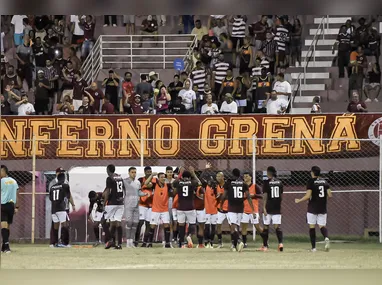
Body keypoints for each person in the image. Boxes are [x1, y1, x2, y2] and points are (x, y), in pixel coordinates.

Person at [295, 166, 332, 252]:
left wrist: (299, 200)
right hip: (322, 207)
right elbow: (330, 195)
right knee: (322, 225)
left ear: (312, 173)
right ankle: (326, 238)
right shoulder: (325, 181)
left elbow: (308, 196)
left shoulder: (311, 182)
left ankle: (314, 248)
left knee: (312, 227)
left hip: (313, 207)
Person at [220, 168, 254, 252]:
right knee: (237, 227)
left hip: (231, 208)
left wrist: (221, 204)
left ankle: (238, 241)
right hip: (240, 208)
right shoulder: (243, 184)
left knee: (232, 227)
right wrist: (252, 209)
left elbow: (224, 196)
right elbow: (248, 197)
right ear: (239, 175)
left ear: (232, 174)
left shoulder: (229, 183)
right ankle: (234, 246)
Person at [172, 168, 201, 248]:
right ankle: (189, 235)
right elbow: (199, 183)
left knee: (181, 225)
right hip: (190, 207)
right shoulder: (192, 182)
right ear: (189, 177)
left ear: (182, 176)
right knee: (192, 224)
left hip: (180, 207)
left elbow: (173, 184)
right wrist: (194, 174)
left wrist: (179, 175)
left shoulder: (179, 182)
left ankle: (181, 243)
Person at [123, 167, 150, 248]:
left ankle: (131, 241)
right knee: (129, 223)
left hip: (136, 205)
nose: (134, 174)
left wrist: (144, 194)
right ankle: (128, 242)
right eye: (132, 172)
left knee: (135, 224)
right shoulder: (125, 181)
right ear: (129, 173)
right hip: (128, 205)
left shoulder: (138, 182)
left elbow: (139, 192)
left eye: (135, 172)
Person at [144, 172, 172, 248]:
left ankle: (167, 243)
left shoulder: (168, 186)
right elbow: (146, 183)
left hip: (164, 209)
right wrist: (151, 175)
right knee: (152, 226)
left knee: (166, 225)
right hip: (155, 209)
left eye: (164, 177)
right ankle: (149, 243)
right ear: (158, 178)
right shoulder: (154, 185)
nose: (163, 178)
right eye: (162, 177)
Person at [261, 166, 284, 252]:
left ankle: (265, 246)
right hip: (277, 206)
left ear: (268, 173)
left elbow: (265, 196)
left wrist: (263, 207)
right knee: (277, 226)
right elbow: (281, 196)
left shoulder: (266, 183)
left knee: (266, 226)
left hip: (269, 206)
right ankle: (280, 243)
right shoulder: (280, 182)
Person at [104, 164, 125, 250]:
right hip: (120, 203)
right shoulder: (120, 177)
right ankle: (119, 244)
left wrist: (104, 202)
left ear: (108, 170)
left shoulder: (109, 178)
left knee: (104, 221)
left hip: (112, 203)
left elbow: (108, 191)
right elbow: (124, 189)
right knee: (117, 222)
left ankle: (110, 240)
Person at [240, 172, 264, 248]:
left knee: (257, 226)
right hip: (244, 210)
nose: (245, 178)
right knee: (244, 227)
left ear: (250, 177)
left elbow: (262, 196)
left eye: (247, 176)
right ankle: (244, 243)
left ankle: (265, 241)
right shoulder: (242, 187)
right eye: (244, 176)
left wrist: (254, 195)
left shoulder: (255, 186)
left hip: (254, 210)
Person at [1, 165, 20, 253]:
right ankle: (4, 246)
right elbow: (17, 194)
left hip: (3, 205)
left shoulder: (1, 181)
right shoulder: (14, 181)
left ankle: (6, 247)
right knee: (7, 226)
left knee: (4, 226)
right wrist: (17, 207)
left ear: (3, 171)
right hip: (11, 205)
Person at [49, 172, 71, 247]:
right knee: (65, 225)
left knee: (55, 226)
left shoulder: (52, 187)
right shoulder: (65, 185)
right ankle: (65, 243)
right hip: (61, 208)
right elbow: (68, 196)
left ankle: (54, 243)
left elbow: (50, 198)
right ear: (64, 178)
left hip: (53, 209)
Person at [136, 166, 155, 247]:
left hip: (151, 205)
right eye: (148, 172)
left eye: (150, 172)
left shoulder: (154, 181)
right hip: (142, 204)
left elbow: (152, 187)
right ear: (144, 172)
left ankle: (145, 242)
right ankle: (136, 241)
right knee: (140, 223)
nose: (149, 173)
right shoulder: (140, 180)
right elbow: (140, 187)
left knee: (148, 223)